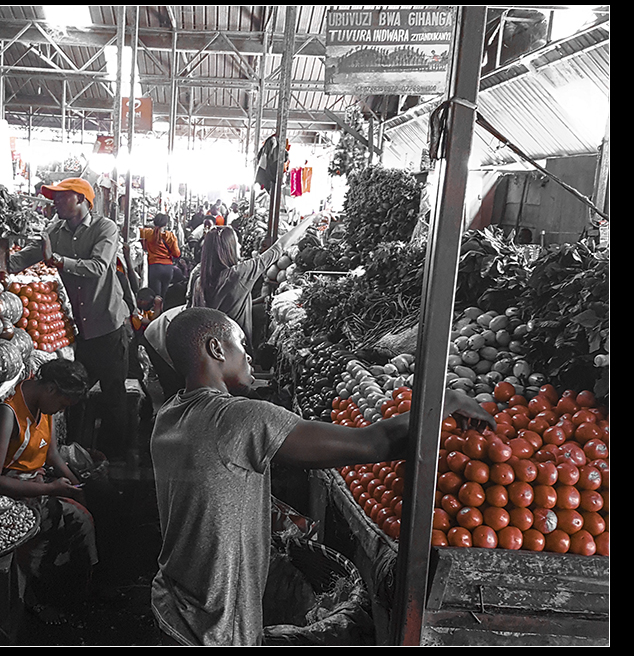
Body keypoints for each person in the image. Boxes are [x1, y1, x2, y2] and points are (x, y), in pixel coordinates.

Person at [149, 307, 497, 646]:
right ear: (215, 349)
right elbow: (371, 443)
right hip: (212, 629)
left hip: (173, 604)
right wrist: (444, 402)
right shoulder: (240, 419)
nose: (250, 355)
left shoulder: (170, 414)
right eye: (241, 344)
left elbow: (212, 481)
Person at [2, 177, 131, 460]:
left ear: (82, 200)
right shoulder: (54, 231)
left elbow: (98, 267)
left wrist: (57, 260)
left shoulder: (104, 228)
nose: (55, 202)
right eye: (55, 197)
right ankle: (76, 453)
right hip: (78, 332)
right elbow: (19, 261)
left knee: (114, 396)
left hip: (108, 326)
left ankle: (115, 460)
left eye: (62, 197)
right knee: (74, 396)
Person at [0, 358, 97, 626]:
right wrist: (49, 488)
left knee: (83, 518)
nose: (60, 412)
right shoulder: (9, 412)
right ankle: (32, 601)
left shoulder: (44, 406)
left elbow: (52, 454)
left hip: (36, 483)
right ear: (50, 389)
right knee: (37, 532)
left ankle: (77, 591)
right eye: (62, 404)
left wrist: (76, 485)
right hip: (6, 494)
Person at [193, 214, 316, 353]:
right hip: (235, 349)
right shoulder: (238, 274)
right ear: (228, 248)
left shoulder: (199, 281)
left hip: (208, 349)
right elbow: (279, 247)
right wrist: (310, 219)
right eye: (236, 242)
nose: (239, 246)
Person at [139, 213, 181, 308]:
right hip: (168, 268)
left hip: (154, 267)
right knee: (164, 295)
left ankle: (154, 317)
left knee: (155, 297)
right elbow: (177, 254)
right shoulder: (170, 236)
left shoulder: (148, 233)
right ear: (166, 224)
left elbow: (133, 231)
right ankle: (163, 315)